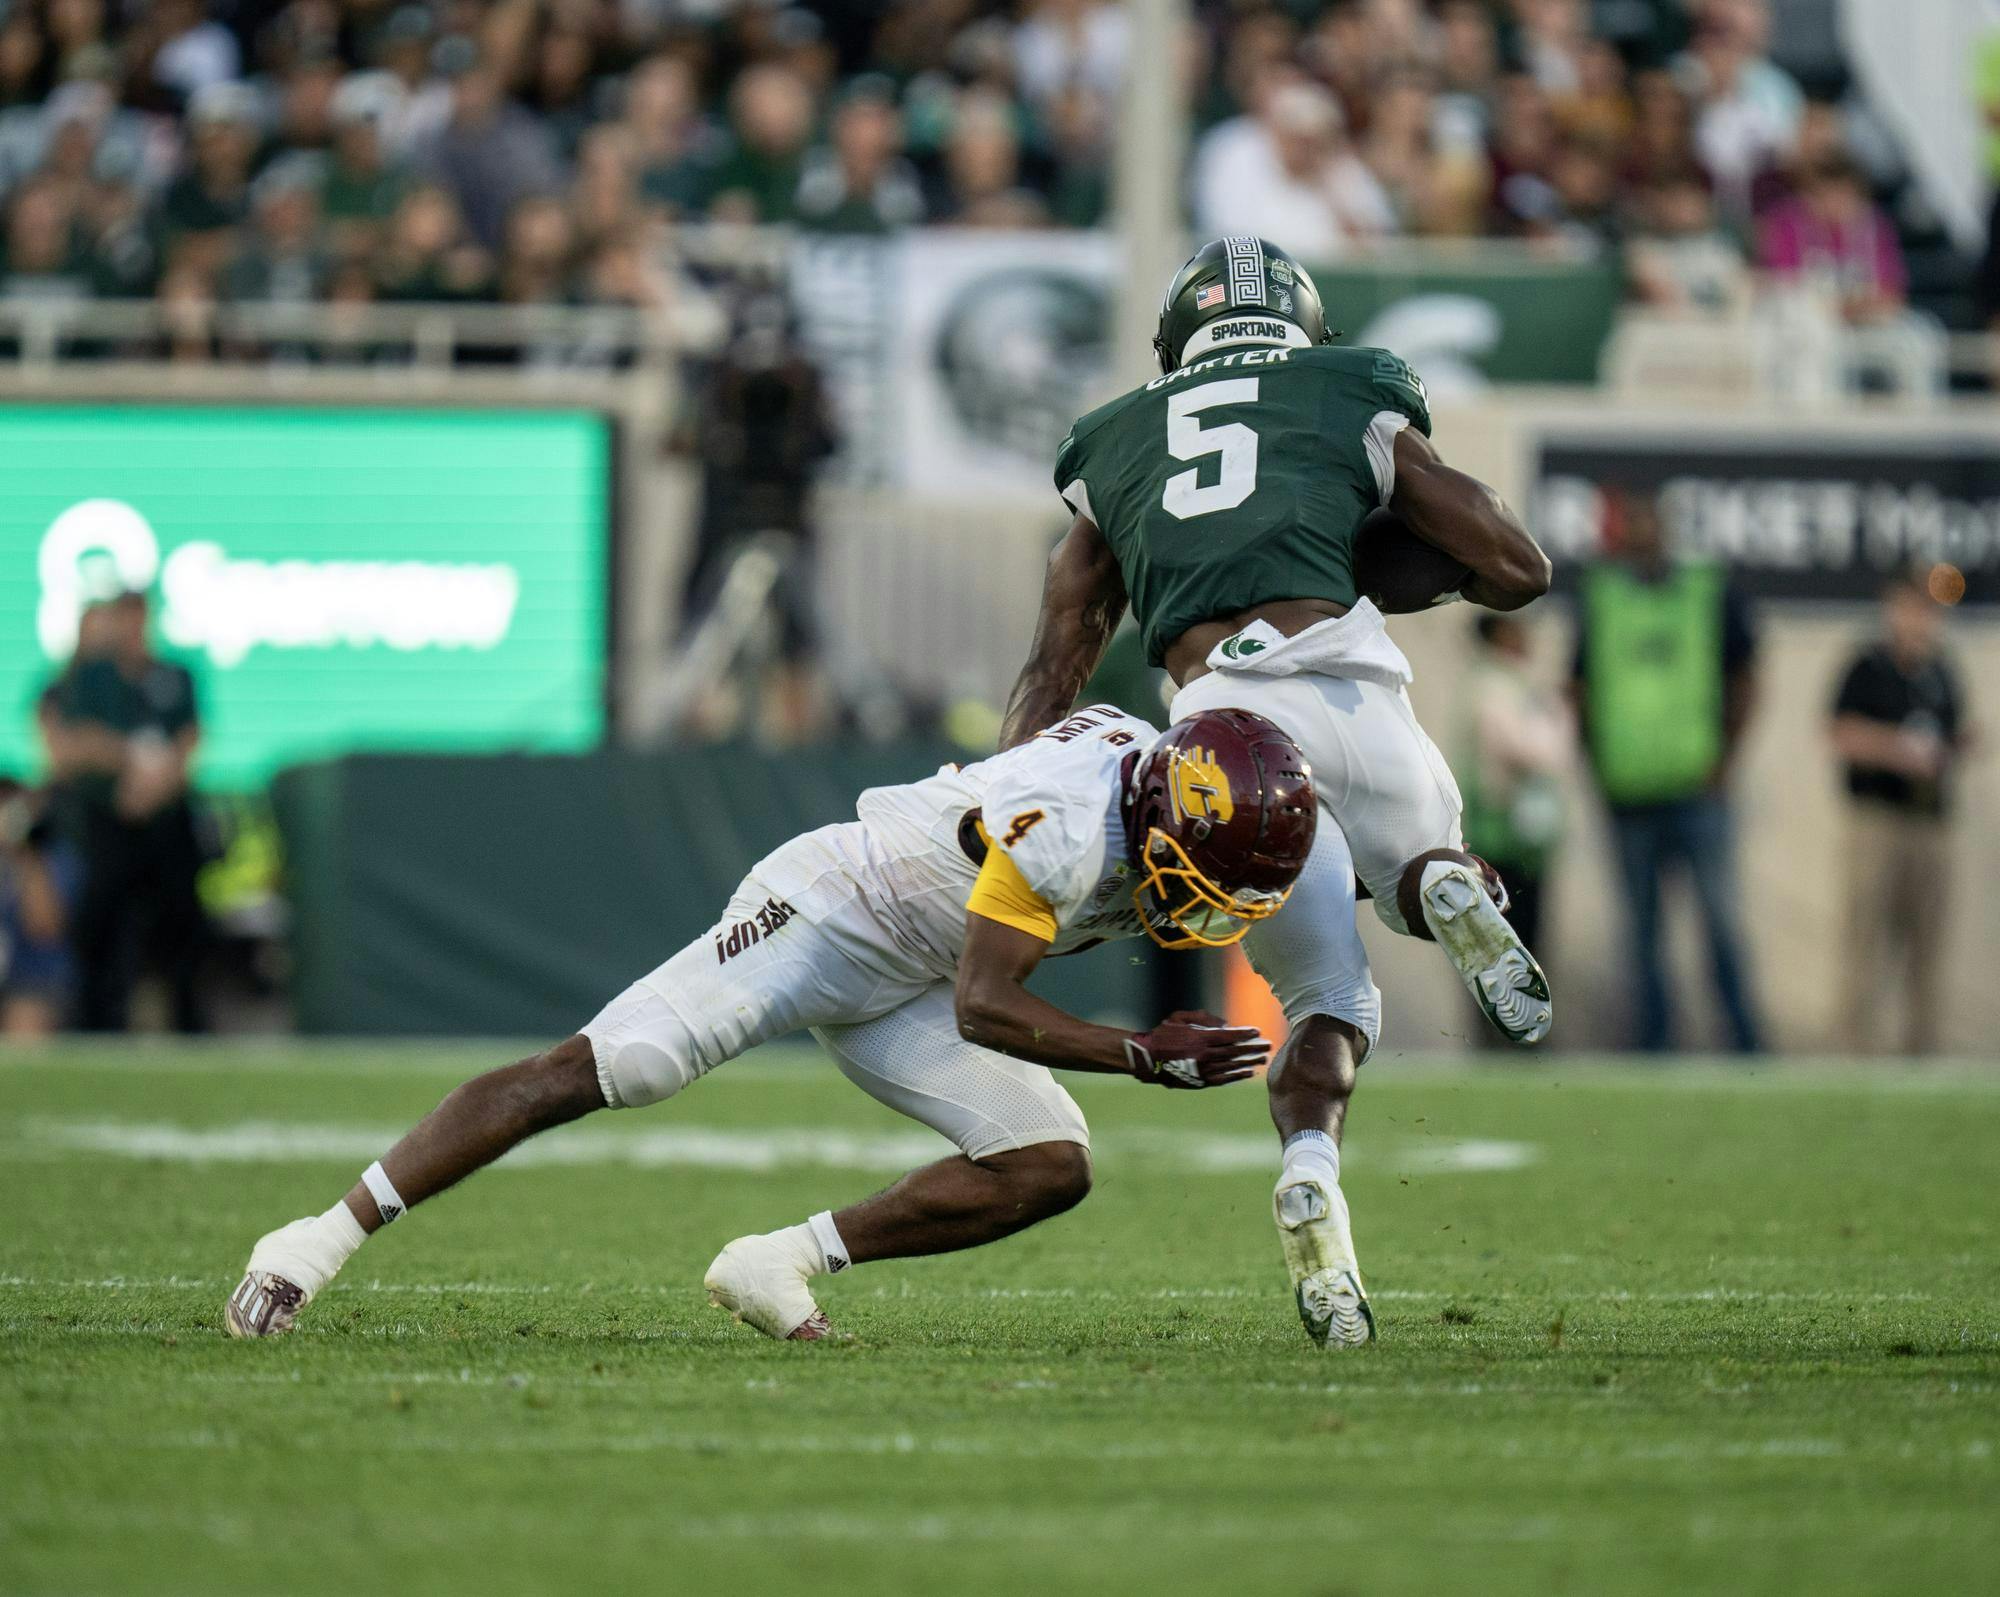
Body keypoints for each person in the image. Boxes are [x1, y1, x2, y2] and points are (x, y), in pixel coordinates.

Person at [227, 708, 1384, 1352]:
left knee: (1046, 1162)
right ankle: (314, 1238)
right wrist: (1136, 1052)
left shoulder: (1152, 782)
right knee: (614, 1062)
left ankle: (778, 1258)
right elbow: (989, 1003)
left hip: (921, 967)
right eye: (1209, 874)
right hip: (832, 911)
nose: (1209, 906)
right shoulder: (1074, 834)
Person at [1004, 236, 1554, 1054]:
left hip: (1219, 717)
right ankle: (1443, 877)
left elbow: (1057, 658)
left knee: (1298, 943)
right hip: (1344, 672)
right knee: (1422, 871)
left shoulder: (1113, 434)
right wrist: (1379, 569)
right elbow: (1515, 565)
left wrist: (1006, 786)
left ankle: (1309, 1148)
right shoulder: (1348, 384)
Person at [1570, 491, 1763, 1054]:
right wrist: (1596, 764)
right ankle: (1653, 1048)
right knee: (1641, 935)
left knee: (1720, 924)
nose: (1638, 539)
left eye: (1646, 526)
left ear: (1665, 529)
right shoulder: (1603, 599)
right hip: (1627, 794)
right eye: (1629, 529)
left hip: (1698, 790)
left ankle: (1746, 1044)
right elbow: (1579, 688)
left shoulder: (1707, 591)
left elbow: (1748, 676)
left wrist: (1727, 760)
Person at [52, 588, 208, 1032]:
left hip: (164, 820)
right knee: (100, 922)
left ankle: (186, 1023)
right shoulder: (89, 678)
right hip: (106, 817)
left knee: (181, 922)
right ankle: (94, 1023)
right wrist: (127, 759)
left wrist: (154, 784)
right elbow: (69, 743)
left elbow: (190, 738)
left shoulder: (174, 675)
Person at [1828, 577, 1973, 1056]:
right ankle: (1856, 1054)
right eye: (1912, 607)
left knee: (1926, 950)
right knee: (1865, 943)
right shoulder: (1868, 667)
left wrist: (1955, 748)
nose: (1920, 619)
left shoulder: (1940, 671)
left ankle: (1922, 1056)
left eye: (1929, 610)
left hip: (1929, 821)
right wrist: (1898, 750)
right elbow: (1840, 732)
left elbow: (1953, 735)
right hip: (1878, 820)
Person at [1457, 612, 1569, 985]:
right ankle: (1508, 1030)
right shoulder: (1494, 686)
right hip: (1501, 838)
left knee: (1521, 938)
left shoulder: (1515, 684)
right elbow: (1533, 751)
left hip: (1522, 838)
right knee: (1506, 939)